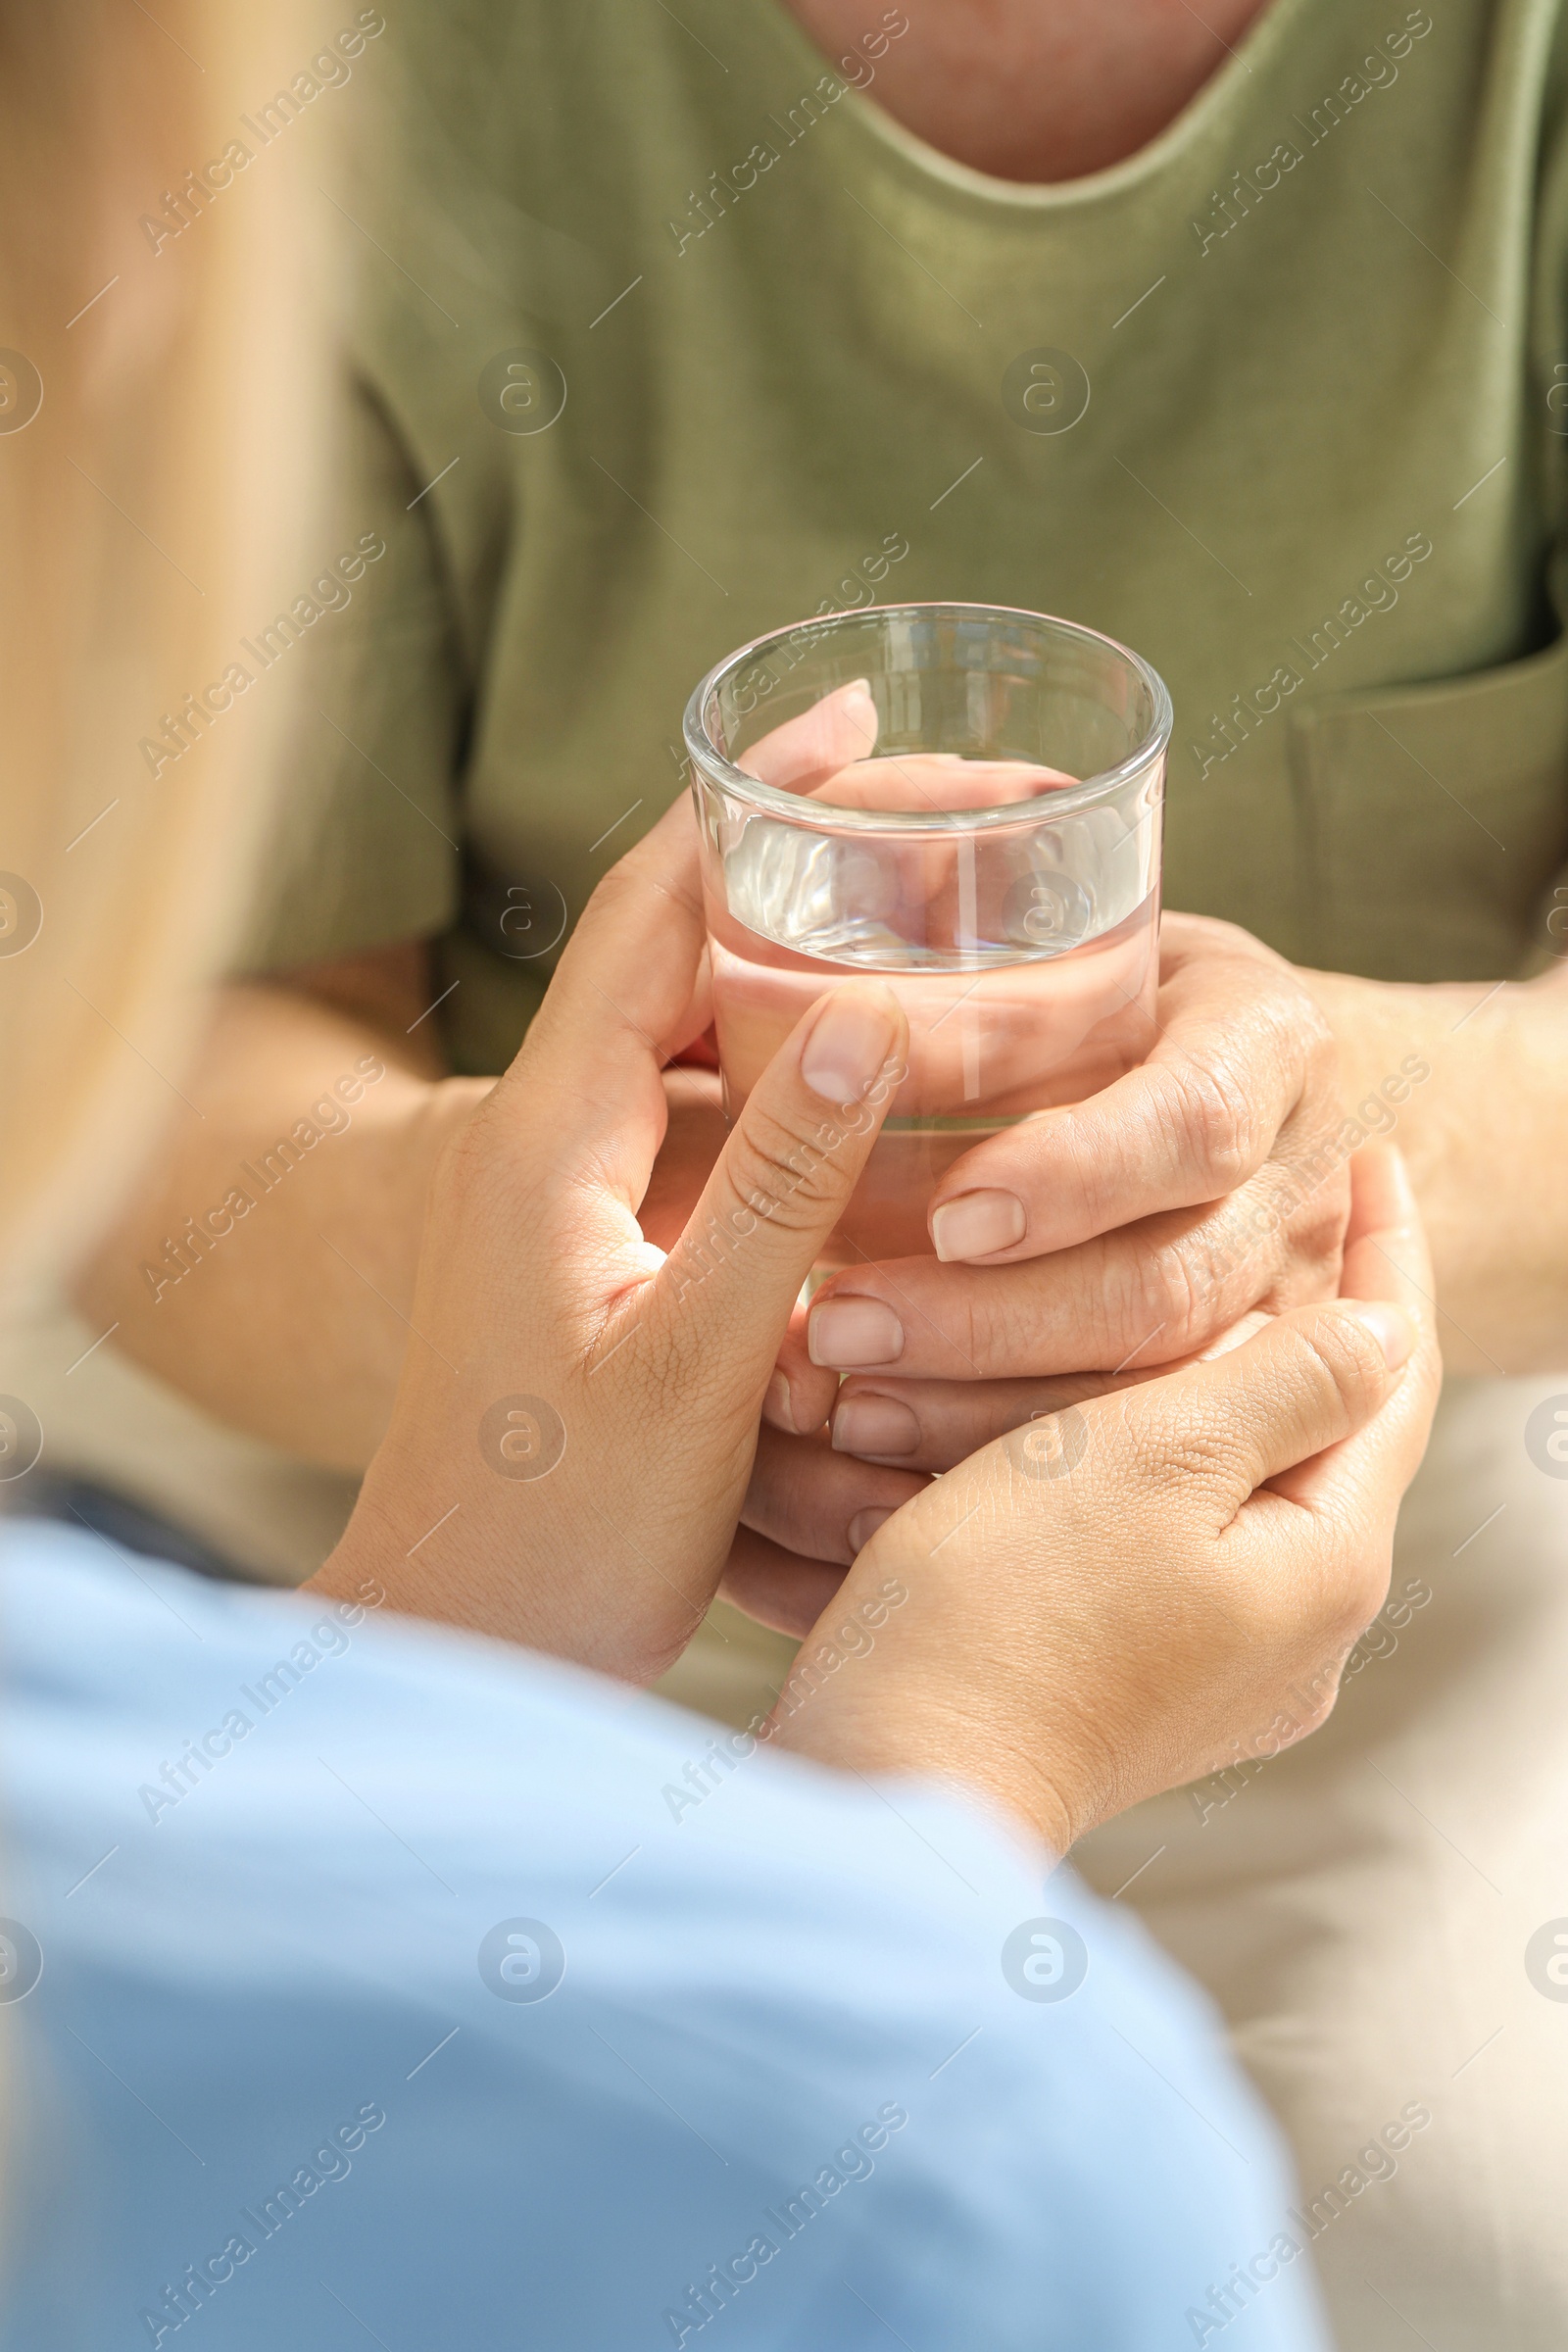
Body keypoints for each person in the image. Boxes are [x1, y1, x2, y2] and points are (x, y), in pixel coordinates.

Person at [18, 0, 1568, 2339]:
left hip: (1375, 1453)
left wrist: (1267, 1197)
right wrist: (556, 1309)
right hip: (416, 1397)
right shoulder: (243, 62)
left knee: (1454, 2221)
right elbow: (160, 1060)